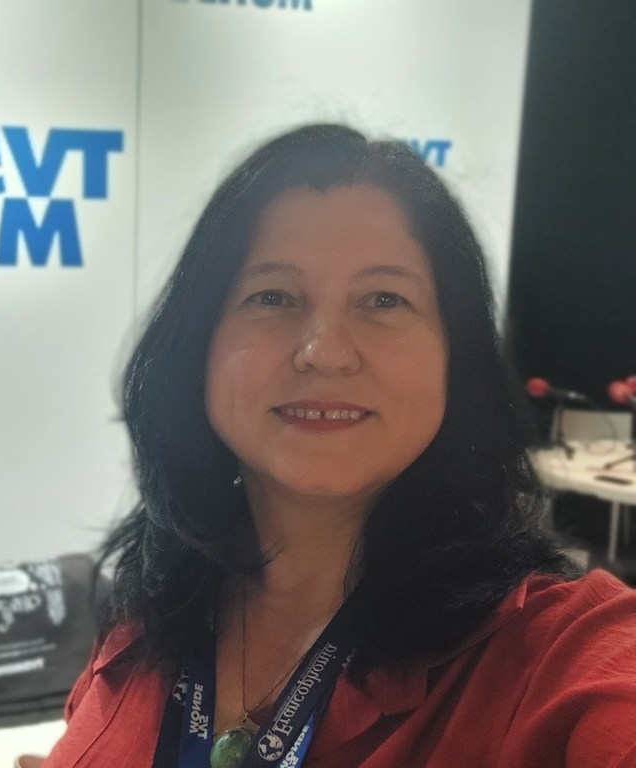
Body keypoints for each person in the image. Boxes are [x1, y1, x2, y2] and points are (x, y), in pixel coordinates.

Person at [34, 124, 636, 767]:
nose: (324, 352)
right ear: (197, 347)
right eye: (272, 296)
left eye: (384, 299)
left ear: (455, 358)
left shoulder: (557, 653)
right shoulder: (148, 613)